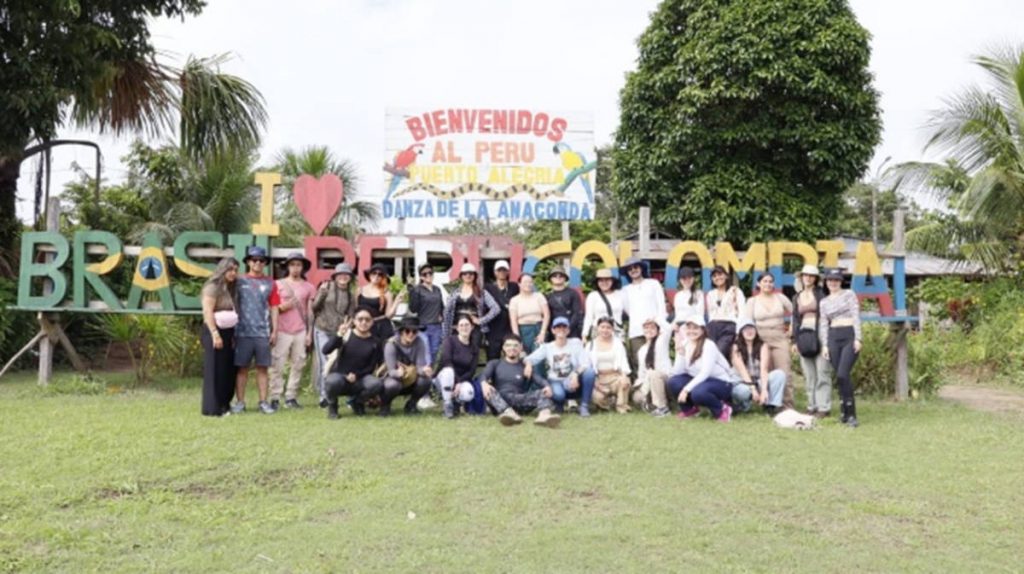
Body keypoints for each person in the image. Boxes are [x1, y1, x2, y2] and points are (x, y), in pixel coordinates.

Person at [232, 246, 280, 415]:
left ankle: (263, 402)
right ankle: (240, 403)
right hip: (242, 332)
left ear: (265, 263)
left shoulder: (270, 283)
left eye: (261, 260)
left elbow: (275, 307)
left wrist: (274, 331)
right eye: (254, 260)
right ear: (248, 262)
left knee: (262, 368)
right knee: (242, 368)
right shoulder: (239, 281)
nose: (258, 263)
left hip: (262, 332)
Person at [666, 314, 739, 422]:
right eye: (689, 328)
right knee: (673, 382)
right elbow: (677, 372)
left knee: (698, 393)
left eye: (695, 328)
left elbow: (705, 373)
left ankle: (722, 409)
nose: (691, 331)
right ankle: (690, 410)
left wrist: (686, 390)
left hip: (721, 382)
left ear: (703, 330)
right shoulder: (685, 343)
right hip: (701, 381)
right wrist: (681, 354)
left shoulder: (709, 345)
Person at [479, 334, 561, 428]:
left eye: (515, 345)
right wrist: (484, 383)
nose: (512, 348)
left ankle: (544, 416)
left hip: (520, 401)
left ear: (521, 347)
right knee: (488, 389)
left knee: (543, 392)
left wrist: (547, 386)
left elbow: (539, 380)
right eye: (508, 345)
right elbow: (483, 376)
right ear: (503, 348)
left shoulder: (525, 367)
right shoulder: (495, 363)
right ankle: (509, 414)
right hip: (500, 402)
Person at [269, 252, 314, 410]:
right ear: (287, 267)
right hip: (281, 329)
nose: (296, 268)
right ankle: (275, 396)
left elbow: (310, 312)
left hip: (300, 330)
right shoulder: (277, 284)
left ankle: (291, 396)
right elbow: (272, 308)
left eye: (299, 265)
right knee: (277, 364)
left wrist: (309, 333)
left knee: (298, 364)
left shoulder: (309, 287)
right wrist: (284, 307)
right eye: (293, 264)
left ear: (303, 268)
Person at [322, 306, 384, 420]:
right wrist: (339, 335)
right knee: (332, 381)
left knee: (376, 384)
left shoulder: (376, 342)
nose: (363, 322)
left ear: (372, 322)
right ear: (354, 321)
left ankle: (357, 402)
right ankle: (333, 407)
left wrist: (357, 375)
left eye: (367, 319)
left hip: (361, 378)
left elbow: (372, 366)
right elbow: (325, 350)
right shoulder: (346, 335)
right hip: (341, 376)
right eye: (360, 319)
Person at [524, 316, 595, 417]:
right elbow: (529, 358)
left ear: (568, 330)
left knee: (589, 372)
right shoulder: (547, 347)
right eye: (557, 327)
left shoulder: (576, 343)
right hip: (556, 380)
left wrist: (575, 374)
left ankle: (584, 406)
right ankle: (559, 404)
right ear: (553, 330)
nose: (561, 329)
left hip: (572, 381)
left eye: (564, 327)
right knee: (559, 395)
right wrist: (528, 365)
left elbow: (585, 363)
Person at [819, 268, 862, 428]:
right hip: (833, 337)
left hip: (849, 334)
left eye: (836, 280)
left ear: (841, 281)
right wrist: (824, 345)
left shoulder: (849, 294)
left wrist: (858, 338)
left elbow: (856, 315)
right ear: (826, 282)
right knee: (839, 376)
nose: (833, 283)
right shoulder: (823, 302)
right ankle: (844, 412)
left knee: (844, 374)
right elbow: (824, 324)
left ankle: (852, 414)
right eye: (830, 280)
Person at [745, 272, 794, 408]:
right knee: (766, 372)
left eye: (770, 281)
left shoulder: (780, 297)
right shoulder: (752, 301)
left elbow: (796, 313)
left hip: (779, 337)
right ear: (758, 284)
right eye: (765, 281)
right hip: (761, 339)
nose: (768, 284)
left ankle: (787, 404)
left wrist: (792, 328)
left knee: (785, 371)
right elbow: (747, 323)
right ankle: (769, 404)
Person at [311, 262, 356, 408]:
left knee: (336, 363)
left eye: (346, 274)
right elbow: (314, 307)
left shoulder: (350, 295)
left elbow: (350, 315)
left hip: (338, 333)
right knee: (324, 362)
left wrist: (347, 327)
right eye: (340, 274)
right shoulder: (326, 287)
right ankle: (324, 396)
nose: (343, 277)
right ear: (335, 276)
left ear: (350, 277)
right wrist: (322, 293)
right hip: (322, 328)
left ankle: (333, 392)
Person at [791, 264, 832, 417]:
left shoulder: (822, 293)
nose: (808, 278)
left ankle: (823, 407)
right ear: (801, 277)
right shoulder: (796, 296)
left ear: (815, 279)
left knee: (822, 371)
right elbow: (795, 319)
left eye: (811, 276)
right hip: (803, 334)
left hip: (821, 332)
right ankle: (811, 405)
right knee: (809, 374)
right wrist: (794, 341)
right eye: (805, 275)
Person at [200, 257, 239, 416]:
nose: (233, 273)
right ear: (222, 270)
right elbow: (208, 311)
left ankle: (224, 404)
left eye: (236, 270)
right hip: (214, 330)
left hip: (229, 331)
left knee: (227, 369)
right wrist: (215, 334)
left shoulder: (231, 288)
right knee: (214, 369)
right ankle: (212, 407)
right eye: (230, 270)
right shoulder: (212, 287)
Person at [621, 257, 668, 373]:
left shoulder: (653, 283)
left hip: (654, 329)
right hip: (636, 331)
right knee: (639, 361)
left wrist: (660, 324)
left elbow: (661, 305)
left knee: (657, 359)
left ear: (641, 268)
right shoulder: (625, 290)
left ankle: (657, 388)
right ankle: (642, 389)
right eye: (630, 269)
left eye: (636, 267)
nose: (633, 270)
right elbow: (628, 310)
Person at [380, 316, 433, 417]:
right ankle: (385, 405)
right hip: (392, 378)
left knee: (426, 380)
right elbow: (391, 371)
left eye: (414, 331)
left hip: (410, 377)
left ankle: (411, 405)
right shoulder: (391, 344)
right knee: (393, 385)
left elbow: (419, 366)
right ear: (401, 331)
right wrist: (398, 373)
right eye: (407, 331)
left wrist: (424, 370)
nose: (411, 334)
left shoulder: (420, 342)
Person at [731, 319, 786, 414]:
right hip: (741, 382)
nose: (749, 331)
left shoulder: (762, 346)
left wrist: (764, 390)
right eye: (746, 329)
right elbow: (742, 371)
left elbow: (764, 369)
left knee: (779, 375)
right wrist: (752, 389)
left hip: (757, 381)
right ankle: (743, 405)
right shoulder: (735, 347)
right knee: (743, 391)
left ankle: (770, 405)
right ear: (741, 332)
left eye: (752, 328)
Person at [441, 263, 500, 349]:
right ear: (461, 276)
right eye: (465, 273)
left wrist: (481, 320)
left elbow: (496, 308)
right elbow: (447, 313)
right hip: (457, 328)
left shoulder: (481, 293)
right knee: (456, 353)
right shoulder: (454, 293)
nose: (468, 275)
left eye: (471, 273)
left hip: (474, 329)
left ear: (474, 276)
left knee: (473, 353)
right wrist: (446, 333)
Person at [436, 316, 481, 419]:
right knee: (449, 372)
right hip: (443, 379)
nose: (464, 328)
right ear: (457, 328)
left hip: (461, 380)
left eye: (467, 325)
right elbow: (447, 362)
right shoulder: (449, 341)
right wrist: (456, 381)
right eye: (461, 325)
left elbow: (471, 371)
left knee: (468, 393)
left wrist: (460, 382)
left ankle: (456, 404)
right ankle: (447, 405)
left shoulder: (474, 348)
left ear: (472, 327)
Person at [586, 316, 632, 413]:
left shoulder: (618, 343)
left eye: (608, 327)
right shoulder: (590, 345)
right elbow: (587, 366)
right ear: (597, 328)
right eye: (602, 327)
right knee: (596, 397)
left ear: (612, 329)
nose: (605, 330)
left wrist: (624, 376)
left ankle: (621, 406)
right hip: (599, 378)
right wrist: (595, 383)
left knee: (625, 382)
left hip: (615, 376)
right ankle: (609, 404)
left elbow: (624, 361)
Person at [633, 316, 672, 417]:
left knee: (653, 374)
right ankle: (651, 405)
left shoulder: (661, 341)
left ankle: (662, 408)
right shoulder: (641, 350)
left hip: (664, 379)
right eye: (646, 328)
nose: (649, 330)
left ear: (658, 331)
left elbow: (668, 328)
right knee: (637, 397)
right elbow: (641, 372)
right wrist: (639, 384)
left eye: (652, 327)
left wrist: (655, 318)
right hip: (649, 381)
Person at [408, 263, 446, 361]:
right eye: (425, 274)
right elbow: (413, 309)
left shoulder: (437, 289)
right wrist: (412, 292)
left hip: (436, 326)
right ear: (421, 277)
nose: (428, 275)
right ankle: (423, 374)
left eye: (430, 273)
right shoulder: (417, 289)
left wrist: (442, 315)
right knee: (425, 353)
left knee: (434, 352)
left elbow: (441, 305)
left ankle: (429, 375)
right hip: (423, 326)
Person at [706, 265, 746, 358]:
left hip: (729, 326)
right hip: (712, 327)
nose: (717, 278)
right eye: (714, 276)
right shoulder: (710, 294)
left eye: (720, 274)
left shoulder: (735, 291)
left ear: (726, 276)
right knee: (710, 353)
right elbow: (710, 314)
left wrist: (738, 331)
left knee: (719, 352)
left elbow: (742, 312)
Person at [483, 260, 520, 361]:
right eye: (499, 270)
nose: (502, 272)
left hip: (509, 327)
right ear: (495, 272)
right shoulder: (488, 288)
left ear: (508, 272)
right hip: (493, 329)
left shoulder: (514, 287)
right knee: (492, 358)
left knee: (512, 356)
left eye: (504, 270)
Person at [358, 263, 403, 341]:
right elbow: (355, 310)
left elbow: (388, 315)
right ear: (369, 274)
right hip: (363, 326)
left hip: (381, 327)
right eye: (374, 273)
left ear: (383, 278)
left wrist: (396, 302)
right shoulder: (359, 290)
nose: (376, 276)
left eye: (380, 274)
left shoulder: (387, 293)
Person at [509, 273, 549, 353]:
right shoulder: (514, 300)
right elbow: (513, 321)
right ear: (519, 284)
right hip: (523, 330)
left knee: (539, 357)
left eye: (530, 282)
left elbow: (547, 315)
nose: (528, 284)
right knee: (525, 357)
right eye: (525, 282)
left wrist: (542, 332)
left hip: (539, 328)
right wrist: (517, 339)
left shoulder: (539, 296)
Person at [582, 268, 624, 342]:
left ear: (612, 281)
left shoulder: (620, 294)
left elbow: (630, 311)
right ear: (597, 282)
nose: (604, 283)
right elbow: (589, 317)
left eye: (607, 280)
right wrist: (584, 334)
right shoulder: (593, 296)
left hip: (616, 332)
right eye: (601, 280)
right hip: (598, 333)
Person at [544, 266, 583, 340]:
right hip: (555, 332)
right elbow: (547, 315)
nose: (558, 277)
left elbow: (577, 313)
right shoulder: (547, 296)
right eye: (555, 275)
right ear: (550, 279)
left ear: (565, 278)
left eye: (561, 275)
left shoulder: (573, 293)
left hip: (572, 331)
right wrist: (553, 330)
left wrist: (567, 329)